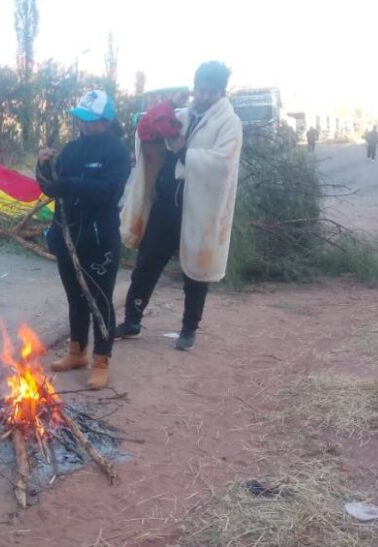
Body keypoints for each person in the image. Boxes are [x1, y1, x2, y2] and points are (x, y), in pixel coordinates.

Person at [117, 61, 243, 351]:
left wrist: (184, 149)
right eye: (202, 90)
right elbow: (146, 131)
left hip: (201, 208)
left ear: (221, 93)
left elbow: (223, 163)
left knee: (196, 271)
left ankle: (188, 329)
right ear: (194, 87)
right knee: (147, 264)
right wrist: (164, 109)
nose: (206, 96)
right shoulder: (181, 115)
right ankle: (132, 320)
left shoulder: (229, 123)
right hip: (165, 206)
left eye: (213, 92)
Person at [36, 90, 130, 390]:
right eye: (81, 119)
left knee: (99, 300)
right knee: (75, 298)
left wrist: (71, 185)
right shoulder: (72, 150)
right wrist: (43, 166)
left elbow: (111, 190)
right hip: (68, 237)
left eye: (91, 121)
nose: (84, 125)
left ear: (106, 121)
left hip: (100, 240)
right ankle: (77, 352)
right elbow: (51, 189)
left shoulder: (117, 151)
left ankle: (102, 360)